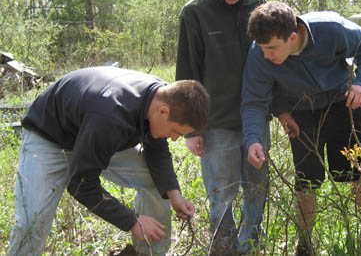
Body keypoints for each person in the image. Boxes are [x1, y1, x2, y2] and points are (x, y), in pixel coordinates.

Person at [7, 66, 210, 256]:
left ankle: (148, 252)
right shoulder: (112, 114)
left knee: (158, 184)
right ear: (163, 111)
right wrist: (132, 221)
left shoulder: (163, 97)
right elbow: (81, 185)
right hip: (49, 139)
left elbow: (156, 149)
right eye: (175, 132)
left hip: (96, 136)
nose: (175, 138)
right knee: (31, 222)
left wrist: (174, 195)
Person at [241, 1, 361, 255]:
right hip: (301, 111)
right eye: (262, 48)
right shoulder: (258, 53)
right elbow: (254, 101)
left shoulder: (330, 28)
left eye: (271, 48)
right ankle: (305, 243)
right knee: (306, 180)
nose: (266, 55)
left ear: (292, 36)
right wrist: (253, 139)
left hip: (345, 101)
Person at [176, 0, 269, 255]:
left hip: (255, 121)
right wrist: (192, 128)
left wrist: (280, 110)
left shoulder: (261, 8)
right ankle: (224, 249)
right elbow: (186, 73)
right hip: (215, 123)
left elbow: (274, 64)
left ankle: (249, 248)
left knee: (257, 191)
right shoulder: (195, 12)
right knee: (222, 196)